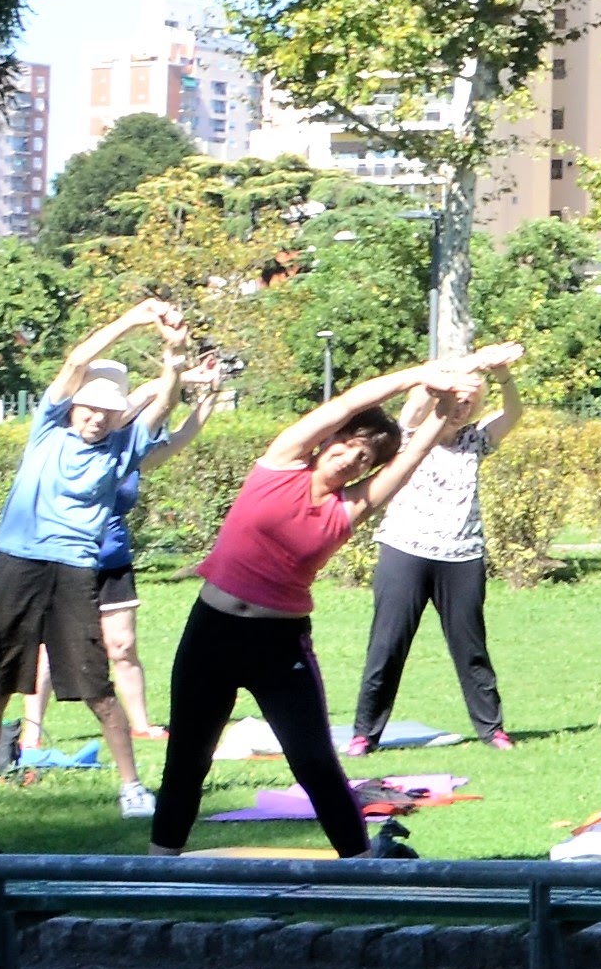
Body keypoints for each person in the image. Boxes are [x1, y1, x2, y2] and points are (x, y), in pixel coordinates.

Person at [146, 351, 505, 859]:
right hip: (212, 633)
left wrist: (445, 418)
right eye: (348, 447)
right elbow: (348, 403)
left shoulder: (350, 507)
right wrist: (418, 376)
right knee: (187, 757)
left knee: (314, 762)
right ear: (329, 443)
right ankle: (159, 869)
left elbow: (406, 462)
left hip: (279, 647)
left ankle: (361, 869)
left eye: (363, 460)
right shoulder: (281, 463)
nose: (350, 460)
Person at [0, 298, 206, 823]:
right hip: (17, 563)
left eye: (105, 410)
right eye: (87, 406)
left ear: (117, 414)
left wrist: (175, 358)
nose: (94, 416)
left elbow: (163, 404)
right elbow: (75, 361)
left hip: (73, 568)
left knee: (95, 684)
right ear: (73, 406)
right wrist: (133, 319)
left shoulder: (123, 445)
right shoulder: (48, 428)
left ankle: (132, 789)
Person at [352, 351, 520, 753]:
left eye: (469, 403)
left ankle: (492, 729)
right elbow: (415, 403)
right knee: (387, 645)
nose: (461, 410)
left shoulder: (475, 440)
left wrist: (501, 374)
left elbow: (513, 412)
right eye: (455, 401)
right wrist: (465, 367)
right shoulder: (409, 434)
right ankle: (364, 733)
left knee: (471, 648)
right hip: (404, 550)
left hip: (461, 557)